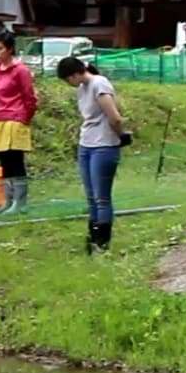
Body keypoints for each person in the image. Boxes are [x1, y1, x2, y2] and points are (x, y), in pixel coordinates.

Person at [57, 57, 131, 253]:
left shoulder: (99, 84)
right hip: (86, 145)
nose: (69, 84)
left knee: (101, 198)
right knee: (91, 197)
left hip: (104, 145)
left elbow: (113, 117)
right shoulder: (82, 88)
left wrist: (121, 136)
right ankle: (92, 239)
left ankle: (102, 243)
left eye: (68, 79)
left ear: (74, 74)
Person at [0, 30, 38, 213]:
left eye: (0, 48)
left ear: (10, 49)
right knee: (4, 162)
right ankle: (7, 200)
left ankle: (20, 202)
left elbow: (29, 97)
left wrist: (25, 117)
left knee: (15, 160)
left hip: (15, 118)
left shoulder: (20, 70)